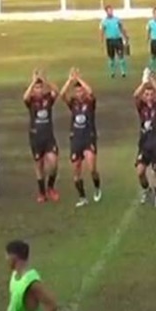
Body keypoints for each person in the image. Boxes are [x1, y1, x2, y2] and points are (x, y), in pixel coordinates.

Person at [60, 68, 102, 208]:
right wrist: (70, 81)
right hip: (76, 139)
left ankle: (97, 188)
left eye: (81, 91)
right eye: (77, 91)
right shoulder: (73, 103)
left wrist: (79, 80)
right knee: (76, 170)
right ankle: (82, 197)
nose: (79, 93)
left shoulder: (90, 103)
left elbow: (91, 92)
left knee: (92, 168)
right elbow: (62, 94)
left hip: (88, 138)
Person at [24, 71, 60, 203]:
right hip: (35, 137)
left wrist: (45, 81)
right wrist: (33, 81)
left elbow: (57, 91)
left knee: (54, 163)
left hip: (49, 137)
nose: (39, 90)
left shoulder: (48, 99)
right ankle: (42, 192)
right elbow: (25, 97)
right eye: (36, 88)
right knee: (39, 165)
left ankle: (50, 187)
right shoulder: (31, 101)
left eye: (40, 87)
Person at [133, 70, 156, 208]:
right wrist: (144, 83)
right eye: (146, 94)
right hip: (144, 143)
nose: (149, 96)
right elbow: (135, 95)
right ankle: (146, 189)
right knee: (140, 171)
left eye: (151, 94)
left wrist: (152, 82)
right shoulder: (142, 107)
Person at [99, 5, 128, 79]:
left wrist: (125, 36)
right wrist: (101, 40)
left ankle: (123, 72)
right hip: (109, 40)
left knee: (121, 56)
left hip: (118, 39)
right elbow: (102, 31)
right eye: (109, 11)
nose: (110, 12)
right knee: (111, 57)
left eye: (111, 10)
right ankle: (112, 72)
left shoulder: (117, 20)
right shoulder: (104, 21)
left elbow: (122, 28)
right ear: (106, 12)